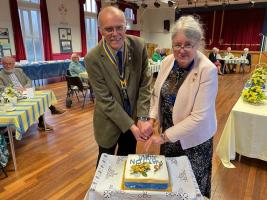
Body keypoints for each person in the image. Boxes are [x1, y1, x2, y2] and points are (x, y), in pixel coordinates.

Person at [144, 15, 218, 198]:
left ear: (198, 44)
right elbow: (156, 94)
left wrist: (163, 137)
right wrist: (151, 119)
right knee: (170, 185)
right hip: (168, 137)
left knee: (190, 189)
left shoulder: (207, 70)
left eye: (188, 45)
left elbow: (198, 117)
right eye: (177, 44)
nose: (181, 50)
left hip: (193, 141)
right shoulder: (167, 62)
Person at [84, 6, 152, 166]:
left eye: (119, 27)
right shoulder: (92, 58)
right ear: (100, 30)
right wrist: (132, 127)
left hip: (134, 118)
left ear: (125, 26)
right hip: (108, 123)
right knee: (104, 167)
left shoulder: (139, 46)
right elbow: (105, 100)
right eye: (109, 29)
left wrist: (142, 117)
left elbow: (145, 83)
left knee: (127, 165)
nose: (115, 34)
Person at [0, 56, 65, 131]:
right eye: (5, 64)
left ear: (14, 64)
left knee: (41, 97)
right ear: (2, 64)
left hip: (24, 91)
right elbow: (1, 87)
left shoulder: (19, 70)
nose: (8, 66)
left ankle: (43, 120)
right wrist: (15, 89)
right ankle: (52, 110)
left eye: (10, 64)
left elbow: (29, 81)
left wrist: (25, 88)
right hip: (13, 95)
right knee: (37, 97)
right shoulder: (1, 75)